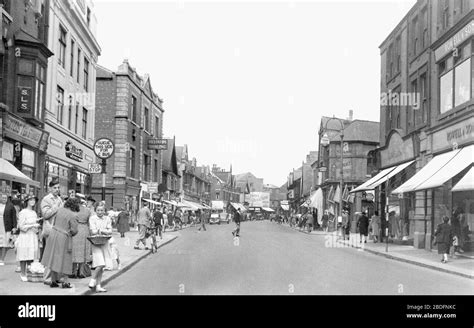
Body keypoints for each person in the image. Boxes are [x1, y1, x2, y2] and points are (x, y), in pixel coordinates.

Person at [41, 197, 79, 288]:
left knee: (54, 257)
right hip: (63, 237)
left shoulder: (60, 210)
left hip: (53, 234)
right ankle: (65, 282)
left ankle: (53, 280)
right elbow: (74, 230)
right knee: (65, 258)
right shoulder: (73, 215)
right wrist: (71, 233)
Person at [40, 177, 64, 285]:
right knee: (49, 254)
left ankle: (56, 277)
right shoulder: (46, 199)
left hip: (59, 229)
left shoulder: (60, 199)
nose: (57, 189)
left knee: (57, 254)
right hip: (50, 229)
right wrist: (56, 207)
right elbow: (45, 214)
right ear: (50, 188)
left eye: (58, 187)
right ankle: (47, 278)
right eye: (55, 188)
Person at [88, 203, 113, 292]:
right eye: (98, 210)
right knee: (100, 263)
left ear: (104, 211)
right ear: (95, 211)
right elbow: (93, 231)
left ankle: (98, 286)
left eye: (102, 210)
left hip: (105, 242)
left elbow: (110, 231)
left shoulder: (107, 219)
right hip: (96, 242)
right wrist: (103, 231)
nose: (100, 212)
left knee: (102, 266)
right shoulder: (92, 218)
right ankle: (92, 280)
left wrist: (101, 230)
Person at [16, 194, 41, 281]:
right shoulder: (23, 212)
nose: (32, 202)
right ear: (27, 201)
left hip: (32, 235)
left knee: (31, 254)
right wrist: (32, 225)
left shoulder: (34, 213)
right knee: (24, 254)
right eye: (30, 200)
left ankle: (29, 272)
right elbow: (21, 226)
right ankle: (22, 273)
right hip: (25, 236)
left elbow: (34, 224)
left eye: (34, 200)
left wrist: (37, 226)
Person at [71, 199, 92, 279]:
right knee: (83, 251)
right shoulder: (87, 210)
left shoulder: (73, 210)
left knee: (74, 251)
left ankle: (73, 271)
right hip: (84, 229)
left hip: (75, 229)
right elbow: (89, 222)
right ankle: (81, 272)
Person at [0, 196, 18, 266]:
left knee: (5, 243)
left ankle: (2, 259)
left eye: (5, 198)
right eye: (2, 198)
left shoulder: (10, 206)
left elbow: (14, 217)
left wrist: (14, 227)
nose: (4, 199)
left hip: (6, 227)